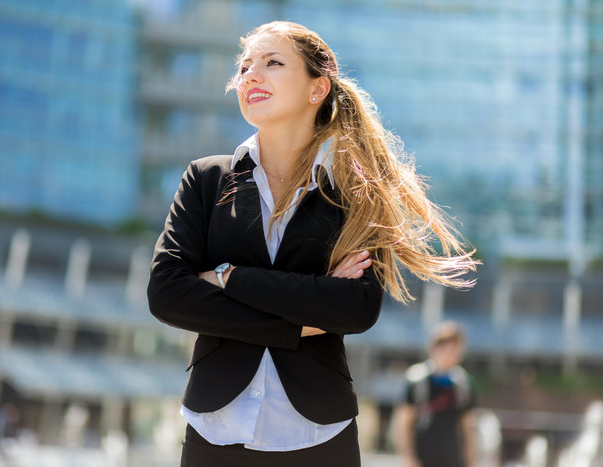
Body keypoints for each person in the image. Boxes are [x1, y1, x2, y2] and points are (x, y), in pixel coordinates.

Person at [147, 20, 479, 467]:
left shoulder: (358, 191)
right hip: (214, 429)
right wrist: (300, 320)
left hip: (321, 435)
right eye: (244, 67)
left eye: (272, 62)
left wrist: (229, 277)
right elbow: (167, 294)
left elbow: (354, 309)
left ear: (316, 88)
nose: (250, 76)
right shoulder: (206, 178)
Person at [392, 321, 478, 467]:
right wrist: (408, 457)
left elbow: (468, 426)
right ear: (434, 349)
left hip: (453, 460)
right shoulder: (417, 380)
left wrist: (470, 459)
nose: (453, 356)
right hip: (422, 459)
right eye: (448, 351)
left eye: (457, 351)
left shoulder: (462, 384)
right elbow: (403, 423)